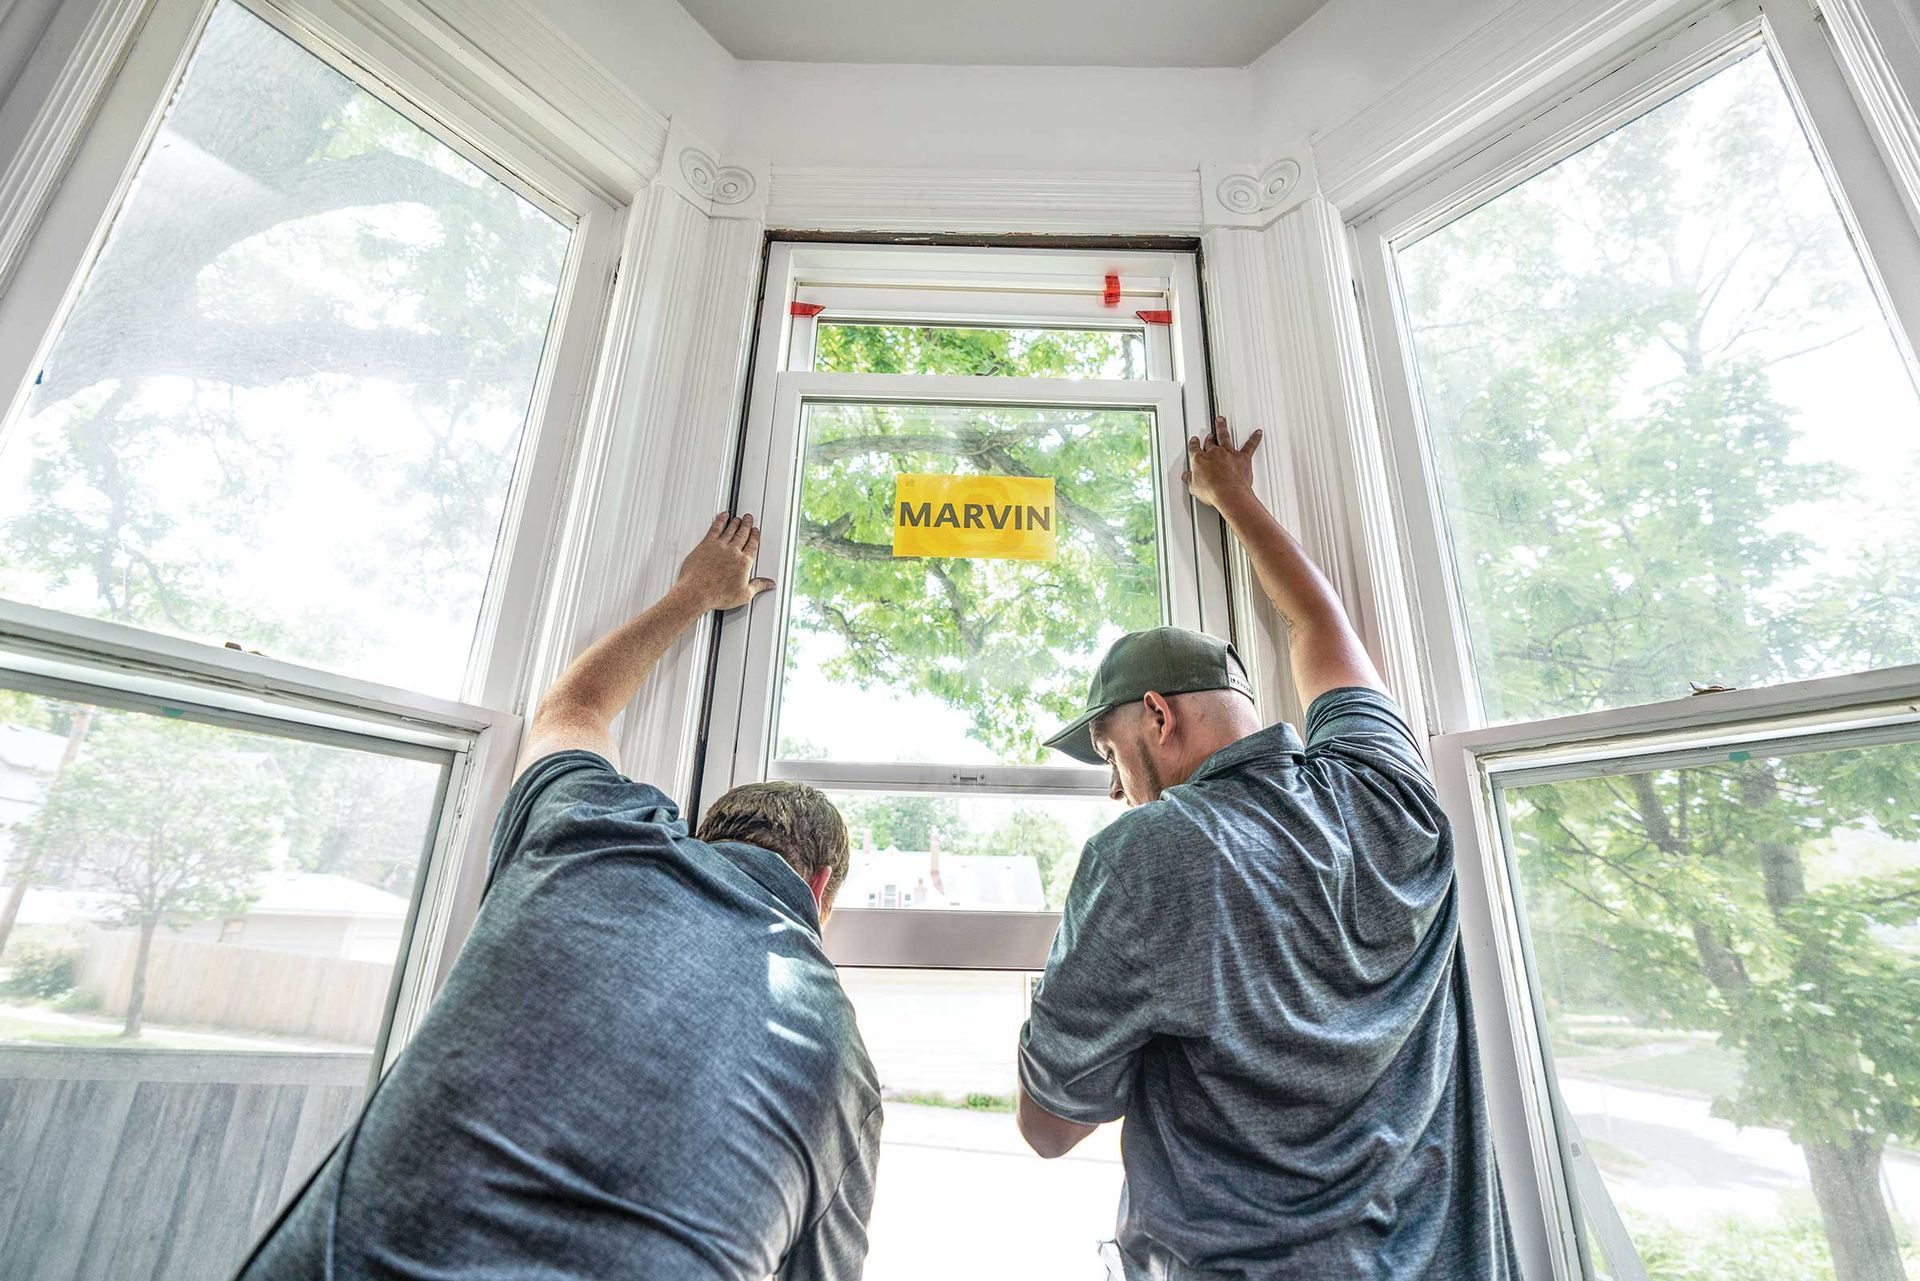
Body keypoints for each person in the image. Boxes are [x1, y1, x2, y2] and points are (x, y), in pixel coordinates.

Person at [236, 512, 882, 1281]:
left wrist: (694, 592)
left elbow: (574, 709)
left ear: (707, 833)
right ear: (820, 887)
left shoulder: (596, 832)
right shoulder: (845, 1070)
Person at [1015, 418, 1516, 1280]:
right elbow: (1319, 624)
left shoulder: (1147, 853)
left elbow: (1050, 1126)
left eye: (1109, 754)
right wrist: (1234, 497)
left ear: (1158, 716)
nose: (1116, 790)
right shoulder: (1386, 787)